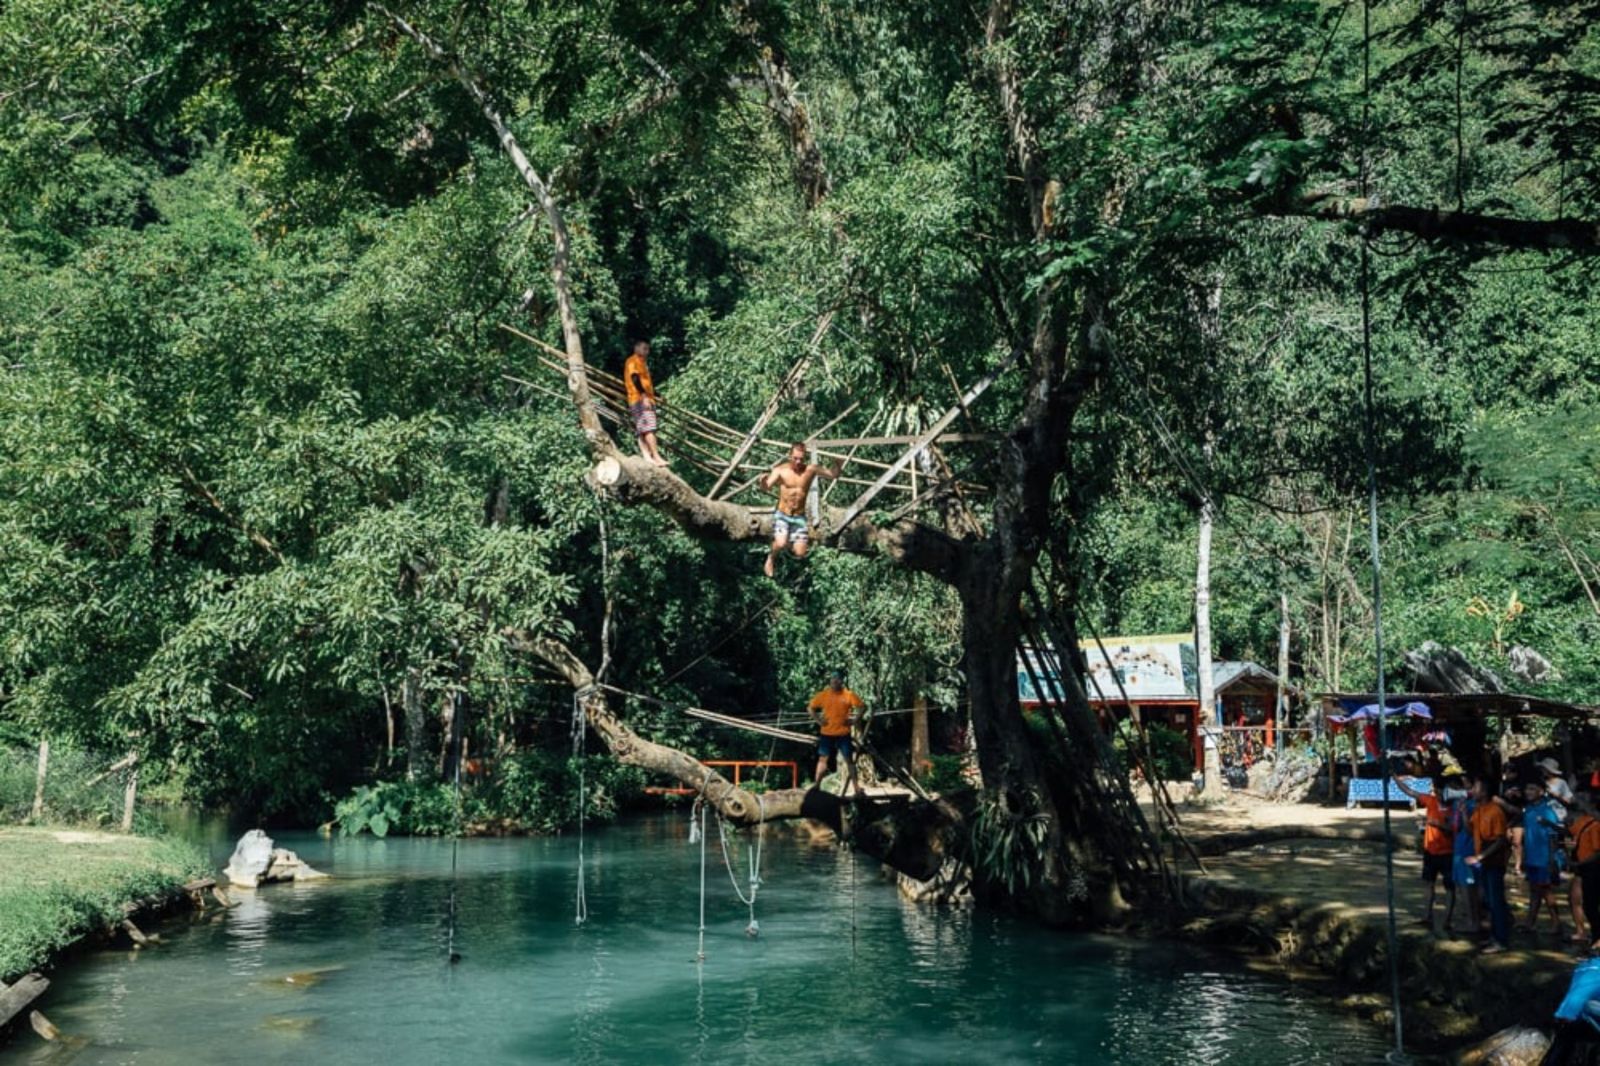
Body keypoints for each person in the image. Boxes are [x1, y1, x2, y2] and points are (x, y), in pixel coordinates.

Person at [758, 442, 841, 578]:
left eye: (801, 459)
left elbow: (833, 474)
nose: (798, 462)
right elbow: (766, 487)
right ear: (789, 456)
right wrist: (762, 481)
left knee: (800, 553)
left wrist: (838, 463)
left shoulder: (811, 470)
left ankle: (787, 539)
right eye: (795, 458)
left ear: (805, 457)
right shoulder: (780, 470)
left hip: (799, 516)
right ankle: (771, 558)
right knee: (780, 543)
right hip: (783, 514)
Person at [1396, 769, 1456, 929]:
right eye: (1437, 790)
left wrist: (1439, 825)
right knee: (1428, 883)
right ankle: (1427, 916)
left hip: (1447, 853)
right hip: (1430, 851)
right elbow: (1409, 791)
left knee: (1449, 887)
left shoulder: (1455, 808)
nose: (1437, 793)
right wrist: (1395, 778)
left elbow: (1454, 830)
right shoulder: (1431, 801)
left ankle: (1447, 920)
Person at [1515, 778, 1567, 939]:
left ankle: (1556, 923)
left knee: (1546, 890)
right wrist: (1523, 857)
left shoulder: (1548, 809)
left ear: (1541, 791)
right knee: (1534, 890)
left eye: (1532, 788)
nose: (1528, 792)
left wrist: (1551, 859)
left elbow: (1554, 835)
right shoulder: (1528, 809)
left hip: (1545, 857)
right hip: (1532, 856)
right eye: (1527, 789)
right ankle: (1530, 922)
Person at [1467, 776, 1513, 953]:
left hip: (1492, 860)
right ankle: (1495, 935)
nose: (1472, 790)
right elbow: (1470, 829)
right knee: (1488, 899)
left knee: (1495, 900)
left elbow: (1500, 840)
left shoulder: (1495, 811)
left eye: (1476, 787)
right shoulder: (1479, 809)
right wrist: (1463, 814)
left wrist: (1480, 856)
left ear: (1484, 792)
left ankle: (1501, 939)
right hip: (1484, 859)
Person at [806, 669, 864, 788]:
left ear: (841, 681)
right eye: (833, 679)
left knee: (849, 760)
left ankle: (857, 788)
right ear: (830, 681)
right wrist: (819, 720)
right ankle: (816, 786)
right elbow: (810, 708)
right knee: (823, 759)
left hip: (843, 734)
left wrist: (854, 720)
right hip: (827, 733)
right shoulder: (824, 695)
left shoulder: (848, 695)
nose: (835, 681)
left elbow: (863, 707)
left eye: (837, 679)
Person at [622, 340, 668, 467]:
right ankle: (656, 456)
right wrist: (644, 396)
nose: (647, 351)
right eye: (644, 348)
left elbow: (645, 384)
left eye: (648, 349)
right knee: (648, 428)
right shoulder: (632, 361)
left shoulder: (642, 362)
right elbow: (635, 379)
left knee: (643, 428)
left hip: (645, 398)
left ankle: (647, 456)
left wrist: (657, 395)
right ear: (636, 348)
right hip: (639, 399)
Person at [1569, 795, 1600, 951]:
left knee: (1591, 905)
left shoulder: (1595, 825)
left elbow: (1597, 852)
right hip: (1585, 869)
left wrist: (1580, 863)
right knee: (1588, 904)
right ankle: (1595, 937)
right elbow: (1571, 832)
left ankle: (1597, 938)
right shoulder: (1584, 820)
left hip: (1593, 869)